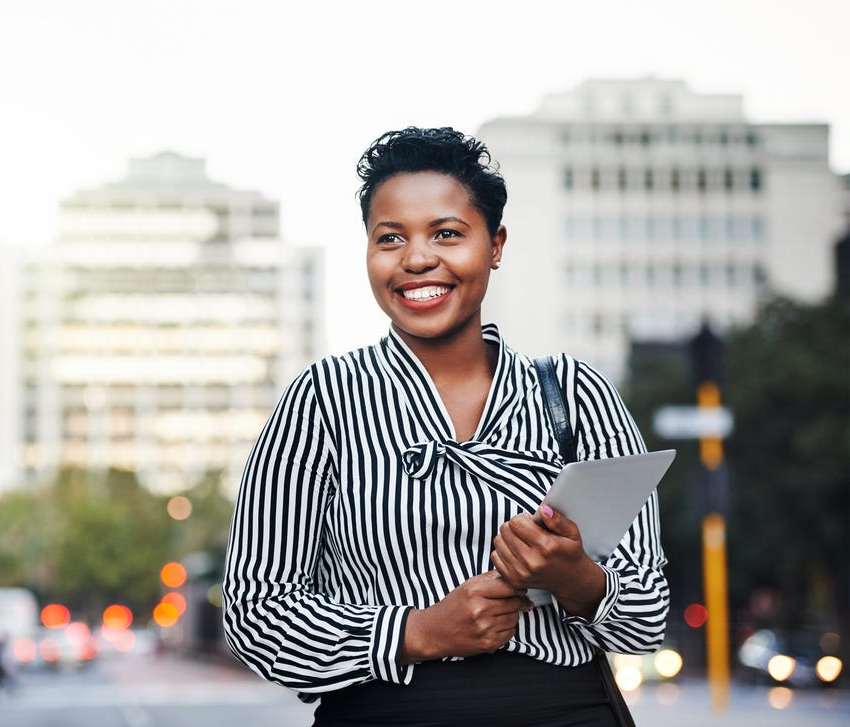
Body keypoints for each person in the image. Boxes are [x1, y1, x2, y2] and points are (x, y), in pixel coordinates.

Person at [222, 127, 668, 726]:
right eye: (390, 239)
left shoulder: (574, 394)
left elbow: (650, 618)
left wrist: (576, 578)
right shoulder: (321, 400)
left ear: (496, 244)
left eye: (447, 233)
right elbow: (256, 614)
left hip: (565, 709)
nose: (416, 259)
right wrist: (414, 632)